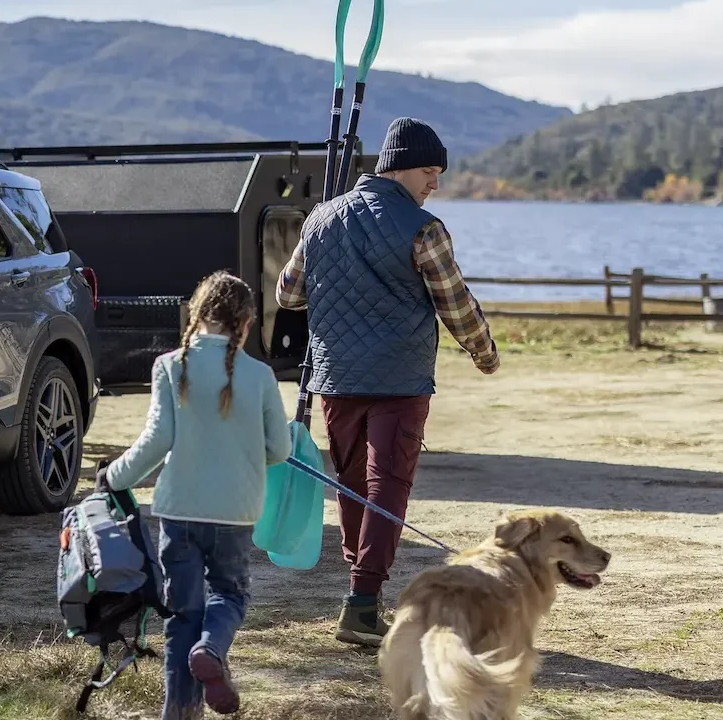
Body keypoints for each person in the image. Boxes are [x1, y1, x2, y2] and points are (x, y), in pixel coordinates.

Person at [274, 116, 501, 648]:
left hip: (336, 376)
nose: (435, 183)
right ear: (398, 167)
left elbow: (288, 293)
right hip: (399, 379)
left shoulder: (319, 219)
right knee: (388, 486)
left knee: (354, 485)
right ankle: (362, 603)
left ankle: (361, 596)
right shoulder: (423, 228)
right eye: (429, 170)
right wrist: (484, 353)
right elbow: (456, 304)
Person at [96, 271, 291, 718]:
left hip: (179, 512)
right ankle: (213, 649)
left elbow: (155, 441)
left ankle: (179, 712)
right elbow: (279, 449)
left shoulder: (169, 365)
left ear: (197, 315)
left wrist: (114, 477)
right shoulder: (260, 375)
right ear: (244, 322)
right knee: (230, 594)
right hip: (235, 512)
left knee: (181, 616)